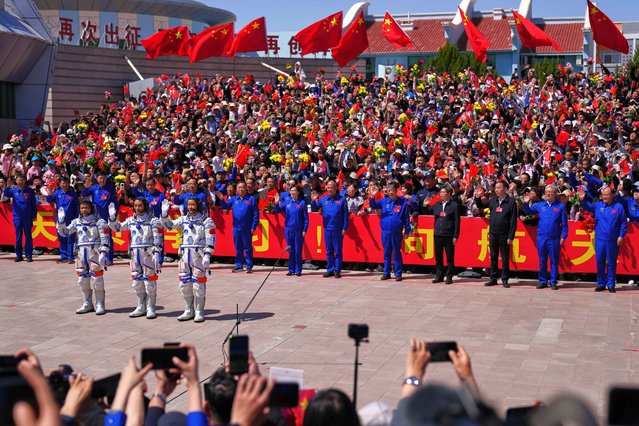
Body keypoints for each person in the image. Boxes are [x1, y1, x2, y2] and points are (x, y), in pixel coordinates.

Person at [160, 198, 216, 322]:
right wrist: (164, 215)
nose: (190, 207)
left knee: (198, 284)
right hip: (185, 256)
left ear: (198, 205)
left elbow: (210, 240)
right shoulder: (184, 219)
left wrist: (207, 255)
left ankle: (199, 311)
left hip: (199, 256)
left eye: (193, 204)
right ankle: (188, 309)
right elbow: (169, 226)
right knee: (184, 284)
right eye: (188, 205)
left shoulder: (207, 221)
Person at [108, 198, 164, 319]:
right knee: (136, 282)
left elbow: (158, 238)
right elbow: (117, 228)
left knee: (149, 281)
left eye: (140, 205)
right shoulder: (131, 220)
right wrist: (112, 218)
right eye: (136, 205)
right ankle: (140, 306)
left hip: (148, 253)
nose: (138, 208)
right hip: (134, 254)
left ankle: (150, 307)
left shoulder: (153, 221)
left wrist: (156, 252)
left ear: (145, 206)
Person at [57, 200, 110, 315]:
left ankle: (100, 303)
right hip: (81, 254)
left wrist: (103, 253)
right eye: (82, 208)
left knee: (97, 280)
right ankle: (87, 303)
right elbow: (65, 232)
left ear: (91, 208)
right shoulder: (76, 222)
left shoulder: (100, 222)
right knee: (82, 280)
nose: (84, 210)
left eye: (86, 208)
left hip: (94, 253)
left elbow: (105, 239)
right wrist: (61, 222)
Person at [579, 186, 628, 292]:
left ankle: (611, 284)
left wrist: (621, 236)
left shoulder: (618, 207)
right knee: (600, 262)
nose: (604, 197)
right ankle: (601, 283)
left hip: (613, 240)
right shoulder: (598, 205)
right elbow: (588, 207)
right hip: (600, 239)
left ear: (612, 195)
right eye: (603, 195)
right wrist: (582, 199)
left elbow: (624, 223)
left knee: (611, 262)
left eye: (607, 195)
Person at [522, 185, 568, 290]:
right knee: (542, 260)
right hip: (542, 238)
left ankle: (553, 281)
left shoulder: (560, 207)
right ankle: (542, 281)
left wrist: (563, 236)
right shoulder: (540, 205)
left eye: (550, 192)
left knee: (554, 261)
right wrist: (525, 202)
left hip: (554, 238)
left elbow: (564, 225)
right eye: (547, 192)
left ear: (555, 194)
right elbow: (528, 211)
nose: (548, 194)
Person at [368, 181, 411, 281]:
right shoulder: (384, 201)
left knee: (396, 252)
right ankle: (386, 272)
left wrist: (407, 230)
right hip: (385, 232)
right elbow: (373, 205)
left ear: (396, 191)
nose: (390, 192)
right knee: (386, 253)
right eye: (388, 190)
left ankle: (398, 273)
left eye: (392, 190)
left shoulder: (402, 202)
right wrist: (372, 196)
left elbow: (406, 218)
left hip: (397, 232)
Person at [217, 182, 259, 273]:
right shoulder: (233, 199)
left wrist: (253, 226)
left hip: (247, 227)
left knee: (247, 247)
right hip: (236, 227)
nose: (241, 189)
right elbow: (225, 206)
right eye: (239, 188)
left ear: (246, 189)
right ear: (237, 190)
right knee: (238, 247)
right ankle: (239, 265)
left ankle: (249, 265)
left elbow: (256, 214)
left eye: (243, 187)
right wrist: (221, 200)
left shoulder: (251, 199)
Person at [311, 180, 349, 279]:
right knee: (328, 250)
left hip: (337, 229)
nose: (330, 189)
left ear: (336, 188)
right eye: (328, 188)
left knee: (338, 250)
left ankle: (337, 270)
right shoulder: (324, 200)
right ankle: (330, 269)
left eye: (332, 187)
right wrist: (314, 200)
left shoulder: (342, 199)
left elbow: (346, 214)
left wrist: (344, 227)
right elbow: (315, 207)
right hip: (327, 228)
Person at [485, 181, 518, 288]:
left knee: (504, 257)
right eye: (496, 188)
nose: (496, 190)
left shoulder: (510, 202)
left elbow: (513, 220)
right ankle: (493, 278)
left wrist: (510, 236)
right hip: (493, 233)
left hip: (504, 234)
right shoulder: (493, 201)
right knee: (493, 256)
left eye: (499, 188)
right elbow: (481, 205)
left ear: (504, 189)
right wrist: (477, 197)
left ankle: (504, 279)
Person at [82, 172, 117, 265]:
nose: (102, 180)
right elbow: (84, 193)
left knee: (107, 237)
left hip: (106, 217)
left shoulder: (110, 189)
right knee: (96, 237)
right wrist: (87, 185)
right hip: (95, 217)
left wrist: (113, 214)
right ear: (97, 179)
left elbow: (115, 202)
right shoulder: (94, 188)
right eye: (100, 178)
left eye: (103, 178)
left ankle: (109, 258)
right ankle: (97, 257)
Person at [274, 184, 309, 276]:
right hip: (288, 229)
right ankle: (291, 269)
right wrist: (276, 203)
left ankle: (298, 270)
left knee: (298, 250)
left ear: (298, 192)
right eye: (291, 190)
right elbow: (278, 210)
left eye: (294, 190)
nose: (292, 192)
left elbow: (306, 218)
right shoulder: (287, 202)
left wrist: (305, 230)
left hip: (298, 230)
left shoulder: (302, 203)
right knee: (290, 250)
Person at [1, 175, 37, 262]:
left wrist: (33, 216)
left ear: (25, 181)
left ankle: (28, 255)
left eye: (22, 180)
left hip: (27, 217)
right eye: (19, 180)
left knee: (28, 236)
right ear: (16, 181)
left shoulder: (30, 191)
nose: (20, 182)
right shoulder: (13, 190)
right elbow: (5, 195)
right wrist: (7, 186)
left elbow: (33, 204)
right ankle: (19, 255)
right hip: (17, 216)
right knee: (18, 236)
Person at [430, 186, 460, 284]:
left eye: (443, 192)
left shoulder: (454, 205)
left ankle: (449, 276)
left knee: (449, 257)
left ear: (449, 194)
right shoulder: (437, 204)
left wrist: (456, 235)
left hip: (449, 234)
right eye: (440, 192)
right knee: (438, 256)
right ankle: (439, 275)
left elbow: (457, 221)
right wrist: (425, 205)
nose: (441, 194)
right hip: (438, 233)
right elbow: (429, 211)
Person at [46, 176, 79, 264]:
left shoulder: (73, 194)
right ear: (60, 184)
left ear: (69, 184)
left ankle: (70, 256)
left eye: (66, 183)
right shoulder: (57, 193)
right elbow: (49, 200)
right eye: (63, 183)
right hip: (60, 220)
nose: (64, 185)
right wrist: (49, 194)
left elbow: (76, 207)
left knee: (70, 239)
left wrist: (76, 219)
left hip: (70, 220)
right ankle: (63, 256)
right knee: (61, 238)